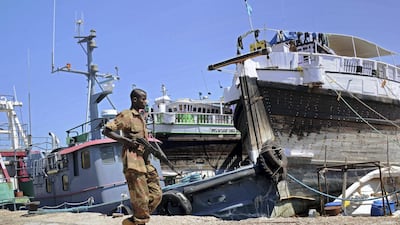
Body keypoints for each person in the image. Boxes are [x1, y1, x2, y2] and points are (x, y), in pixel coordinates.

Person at [102, 88, 162, 225]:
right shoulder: (127, 115)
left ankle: (134, 221)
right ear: (134, 100)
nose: (146, 102)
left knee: (157, 194)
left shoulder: (141, 118)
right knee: (140, 197)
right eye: (143, 99)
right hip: (133, 161)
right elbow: (106, 130)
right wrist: (127, 142)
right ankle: (139, 221)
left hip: (145, 160)